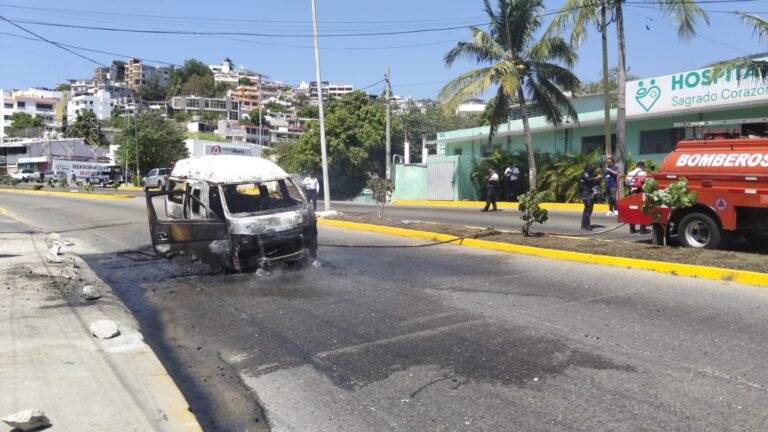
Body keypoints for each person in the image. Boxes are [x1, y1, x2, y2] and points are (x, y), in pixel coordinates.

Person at [626, 161, 650, 234]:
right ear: (642, 167)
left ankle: (632, 229)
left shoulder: (629, 173)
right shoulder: (644, 173)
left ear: (636, 166)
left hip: (632, 193)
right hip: (640, 193)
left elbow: (627, 183)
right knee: (643, 211)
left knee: (632, 211)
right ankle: (642, 230)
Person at [578, 163, 602, 231]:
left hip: (589, 193)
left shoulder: (589, 175)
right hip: (585, 193)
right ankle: (587, 225)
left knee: (588, 209)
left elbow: (592, 183)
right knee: (588, 208)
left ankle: (584, 224)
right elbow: (589, 180)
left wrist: (599, 179)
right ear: (588, 167)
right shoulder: (585, 173)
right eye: (592, 167)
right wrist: (596, 177)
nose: (593, 168)